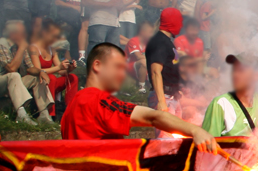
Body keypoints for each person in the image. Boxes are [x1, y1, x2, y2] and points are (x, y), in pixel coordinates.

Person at [61, 42, 218, 149]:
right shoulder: (96, 100)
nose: (123, 74)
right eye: (118, 67)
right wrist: (196, 131)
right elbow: (153, 117)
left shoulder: (75, 101)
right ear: (97, 65)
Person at [0, 20, 52, 125]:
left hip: (9, 82)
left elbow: (30, 67)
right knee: (14, 75)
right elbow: (12, 68)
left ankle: (44, 115)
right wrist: (22, 47)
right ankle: (22, 115)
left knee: (36, 77)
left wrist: (40, 72)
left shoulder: (18, 45)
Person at [28, 18, 78, 119]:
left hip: (50, 81)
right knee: (51, 78)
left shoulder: (52, 49)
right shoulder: (33, 48)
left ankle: (70, 111)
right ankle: (50, 114)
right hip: (39, 82)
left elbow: (60, 71)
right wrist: (58, 67)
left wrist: (69, 69)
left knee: (73, 77)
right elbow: (38, 71)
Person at [146, 8, 184, 119]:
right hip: (164, 98)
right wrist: (161, 101)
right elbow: (155, 72)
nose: (181, 26)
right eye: (179, 21)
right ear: (172, 21)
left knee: (176, 135)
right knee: (166, 136)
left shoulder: (167, 42)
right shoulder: (159, 42)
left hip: (172, 97)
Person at [125, 21, 155, 90]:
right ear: (142, 32)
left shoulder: (148, 42)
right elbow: (138, 56)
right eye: (150, 32)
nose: (152, 35)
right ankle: (141, 87)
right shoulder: (133, 41)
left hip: (141, 67)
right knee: (143, 61)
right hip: (129, 66)